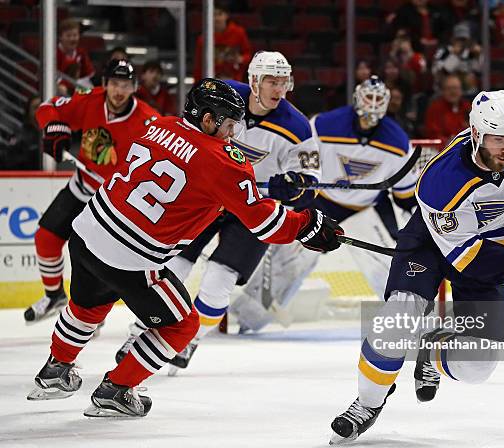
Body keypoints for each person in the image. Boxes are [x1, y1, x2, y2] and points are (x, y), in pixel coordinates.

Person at [27, 78, 343, 417]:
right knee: (182, 325)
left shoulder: (157, 125)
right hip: (131, 257)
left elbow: (186, 176)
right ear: (207, 119)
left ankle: (55, 371)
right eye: (228, 125)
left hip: (87, 233)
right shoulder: (222, 161)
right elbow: (264, 223)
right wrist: (308, 224)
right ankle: (117, 388)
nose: (232, 133)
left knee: (87, 305)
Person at [330, 89, 504, 444]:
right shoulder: (441, 181)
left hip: (498, 249)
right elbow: (466, 256)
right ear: (476, 134)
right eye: (496, 139)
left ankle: (430, 348)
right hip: (434, 245)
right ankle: (367, 404)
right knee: (397, 320)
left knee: (475, 367)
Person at [115, 51, 320, 368]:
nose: (278, 90)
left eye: (283, 82)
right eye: (270, 81)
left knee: (217, 280)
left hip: (252, 207)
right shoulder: (220, 96)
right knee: (174, 267)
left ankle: (189, 339)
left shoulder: (298, 127)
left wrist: (295, 186)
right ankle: (141, 330)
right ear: (253, 80)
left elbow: (310, 185)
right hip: (207, 197)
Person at [232, 76, 420, 333]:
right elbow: (299, 158)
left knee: (387, 261)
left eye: (379, 99)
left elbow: (405, 194)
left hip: (365, 208)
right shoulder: (324, 125)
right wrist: (293, 182)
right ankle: (249, 316)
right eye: (369, 97)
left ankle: (405, 323)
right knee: (290, 259)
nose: (373, 105)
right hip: (321, 202)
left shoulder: (398, 143)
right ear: (356, 98)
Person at [24, 60, 161, 323]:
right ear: (104, 84)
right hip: (82, 185)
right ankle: (54, 296)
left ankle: (88, 313)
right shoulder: (89, 101)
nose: (119, 91)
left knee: (93, 262)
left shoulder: (147, 121)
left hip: (111, 205)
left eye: (126, 85)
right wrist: (53, 127)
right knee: (46, 238)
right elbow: (47, 107)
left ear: (134, 88)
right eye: (114, 84)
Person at [192, 0, 252, 82]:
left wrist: (240, 59)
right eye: (213, 15)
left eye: (219, 14)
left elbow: (248, 55)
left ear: (226, 15)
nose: (216, 18)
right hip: (212, 82)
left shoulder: (238, 32)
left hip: (235, 81)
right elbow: (198, 66)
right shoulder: (203, 39)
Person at [423, 73, 471, 144]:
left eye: (455, 88)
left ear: (461, 90)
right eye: (449, 88)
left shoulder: (467, 107)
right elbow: (432, 134)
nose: (453, 92)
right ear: (443, 91)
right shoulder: (435, 109)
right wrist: (449, 141)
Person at [56, 18, 96, 95]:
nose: (72, 39)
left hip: (76, 86)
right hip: (57, 88)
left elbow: (88, 75)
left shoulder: (81, 52)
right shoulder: (54, 54)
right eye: (68, 36)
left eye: (75, 35)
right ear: (60, 37)